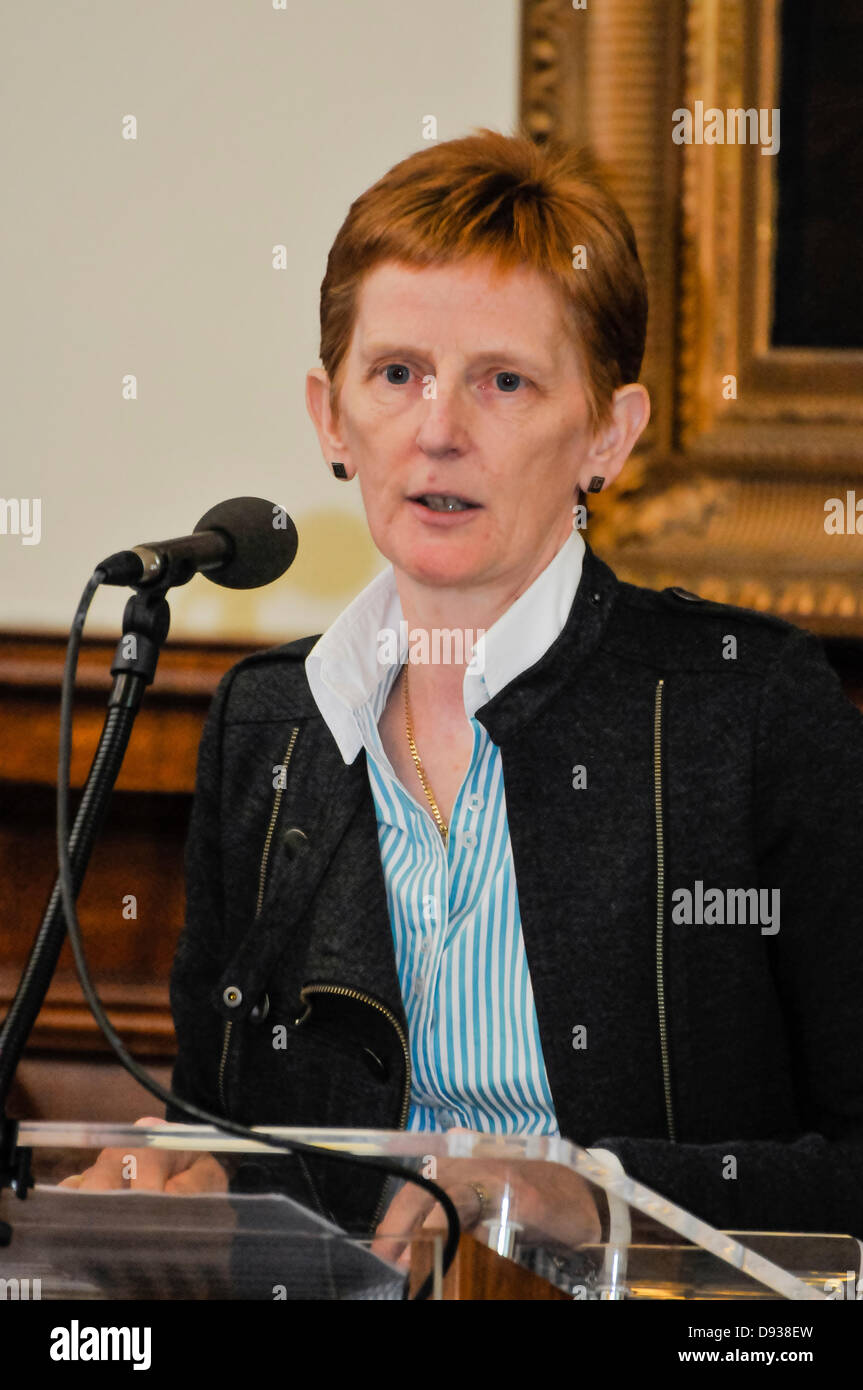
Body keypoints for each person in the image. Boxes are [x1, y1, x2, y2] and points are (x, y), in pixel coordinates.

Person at [64, 128, 863, 1259]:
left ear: (606, 435)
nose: (437, 431)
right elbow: (228, 1133)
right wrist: (182, 1175)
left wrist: (588, 1201)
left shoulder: (744, 714)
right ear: (330, 416)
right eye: (396, 375)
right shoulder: (269, 728)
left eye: (503, 381)